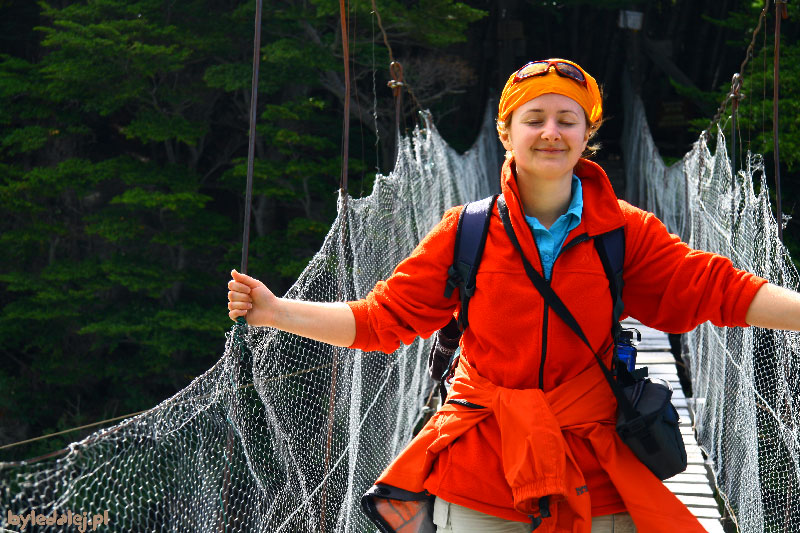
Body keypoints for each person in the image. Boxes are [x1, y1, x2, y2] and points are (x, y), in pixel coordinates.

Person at [227, 59, 800, 532]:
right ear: (506, 133)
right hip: (484, 462)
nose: (552, 131)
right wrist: (277, 312)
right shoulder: (466, 234)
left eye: (568, 120)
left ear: (587, 135)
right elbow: (381, 320)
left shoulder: (626, 234)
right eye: (535, 118)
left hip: (592, 462)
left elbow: (721, 291)